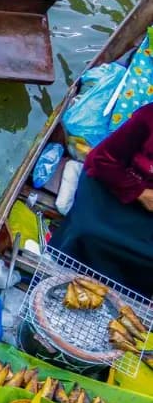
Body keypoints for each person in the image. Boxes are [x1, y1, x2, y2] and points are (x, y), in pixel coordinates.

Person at [53, 105, 153, 297]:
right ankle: (65, 270)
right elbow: (102, 161)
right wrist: (140, 193)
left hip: (146, 215)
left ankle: (128, 298)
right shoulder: (148, 118)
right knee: (89, 231)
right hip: (114, 184)